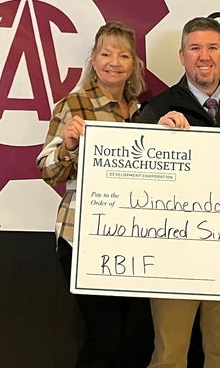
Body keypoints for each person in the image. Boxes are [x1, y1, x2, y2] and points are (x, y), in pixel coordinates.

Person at [136, 16, 220, 368]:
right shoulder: (156, 109)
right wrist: (155, 140)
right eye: (195, 48)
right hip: (175, 251)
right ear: (181, 56)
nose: (203, 56)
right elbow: (136, 177)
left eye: (212, 48)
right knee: (169, 356)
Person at [37, 21, 154, 367]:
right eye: (105, 53)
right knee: (105, 337)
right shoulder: (74, 105)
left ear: (134, 64)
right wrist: (69, 145)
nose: (113, 62)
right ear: (93, 58)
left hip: (132, 239)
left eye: (123, 55)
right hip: (83, 236)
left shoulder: (141, 112)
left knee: (132, 341)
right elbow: (47, 170)